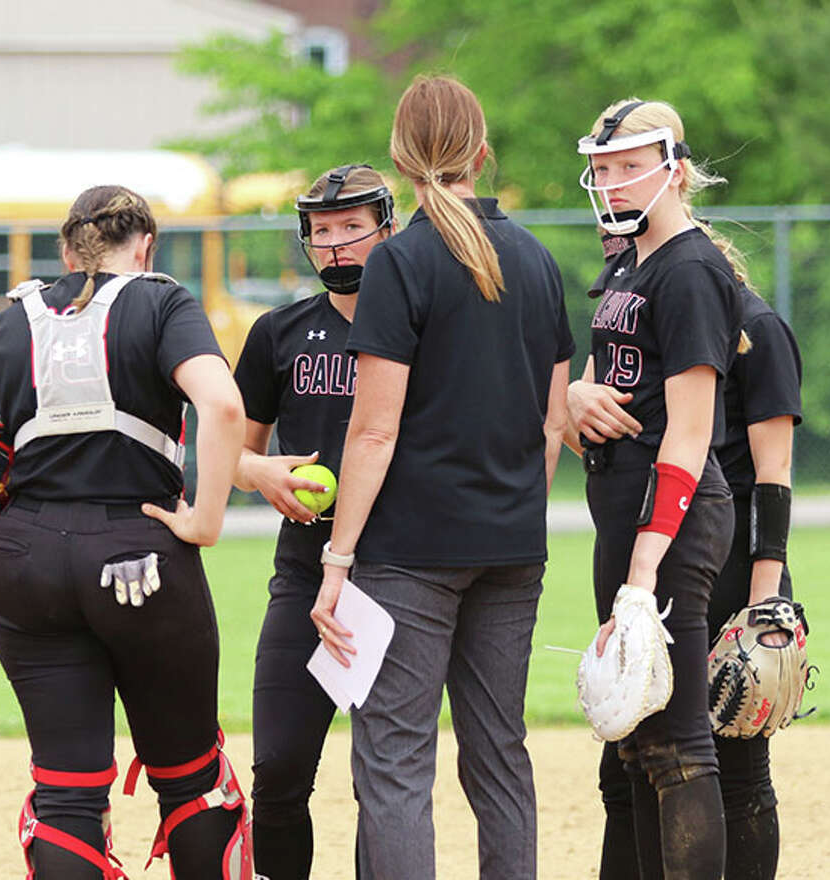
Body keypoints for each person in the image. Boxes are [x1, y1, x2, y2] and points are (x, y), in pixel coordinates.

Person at [0, 185, 251, 879]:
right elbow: (223, 407)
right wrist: (204, 521)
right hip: (139, 553)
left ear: (66, 251)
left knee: (66, 795)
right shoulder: (161, 300)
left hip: (26, 564)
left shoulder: (14, 317)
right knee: (191, 779)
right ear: (144, 247)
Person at [309, 75, 574, 879]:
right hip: (513, 544)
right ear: (482, 154)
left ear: (400, 162)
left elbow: (375, 427)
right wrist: (515, 502)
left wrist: (337, 558)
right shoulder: (535, 260)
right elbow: (552, 424)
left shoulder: (402, 262)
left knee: (394, 762)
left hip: (411, 551)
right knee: (500, 758)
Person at [571, 242, 802, 878]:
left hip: (730, 557)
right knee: (629, 763)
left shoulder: (758, 330)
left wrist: (764, 601)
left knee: (738, 764)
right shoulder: (654, 336)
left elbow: (773, 473)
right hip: (661, 543)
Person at [565, 98, 746, 879]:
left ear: (673, 168)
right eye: (603, 168)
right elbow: (612, 387)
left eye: (628, 166)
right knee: (636, 749)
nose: (611, 182)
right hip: (625, 512)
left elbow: (690, 430)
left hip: (668, 520)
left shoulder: (692, 267)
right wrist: (576, 393)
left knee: (677, 745)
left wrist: (644, 575)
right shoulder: (629, 262)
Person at [232, 165, 394, 879]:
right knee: (280, 767)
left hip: (398, 574)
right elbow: (231, 452)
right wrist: (257, 471)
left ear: (387, 228)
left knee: (384, 782)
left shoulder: (422, 330)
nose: (334, 245)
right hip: (302, 572)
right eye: (321, 231)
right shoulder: (280, 332)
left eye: (351, 227)